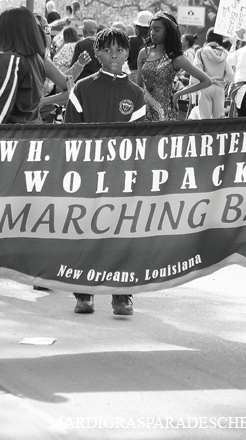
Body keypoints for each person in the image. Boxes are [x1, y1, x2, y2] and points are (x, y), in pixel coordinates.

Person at [65, 28, 146, 315]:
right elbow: (70, 134)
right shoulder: (82, 89)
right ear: (97, 53)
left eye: (120, 49)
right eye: (108, 49)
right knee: (85, 232)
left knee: (122, 233)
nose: (114, 54)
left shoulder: (136, 94)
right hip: (86, 173)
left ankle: (122, 295)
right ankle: (83, 294)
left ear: (128, 54)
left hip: (121, 175)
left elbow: (139, 142)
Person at [135, 11, 212, 121]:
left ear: (168, 32)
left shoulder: (176, 58)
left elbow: (207, 81)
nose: (152, 33)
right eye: (151, 29)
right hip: (143, 112)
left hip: (165, 115)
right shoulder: (144, 53)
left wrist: (178, 94)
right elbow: (139, 85)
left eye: (157, 30)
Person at [194, 29, 233, 119]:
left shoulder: (201, 52)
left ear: (207, 38)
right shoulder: (225, 53)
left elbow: (196, 71)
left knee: (204, 120)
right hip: (219, 89)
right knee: (218, 121)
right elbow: (230, 74)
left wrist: (192, 89)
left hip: (205, 87)